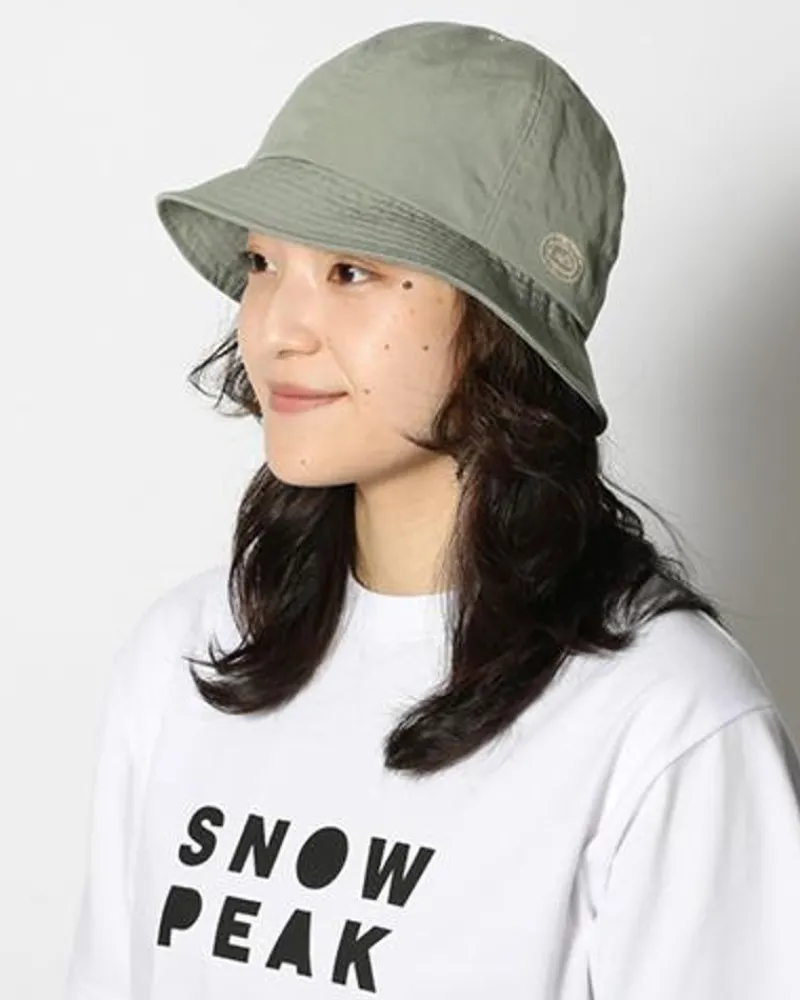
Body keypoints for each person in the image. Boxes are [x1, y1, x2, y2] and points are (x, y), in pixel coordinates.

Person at [63, 20, 800, 1000]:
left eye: (352, 272)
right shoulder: (187, 657)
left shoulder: (667, 720)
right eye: (262, 263)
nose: (274, 329)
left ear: (500, 326)